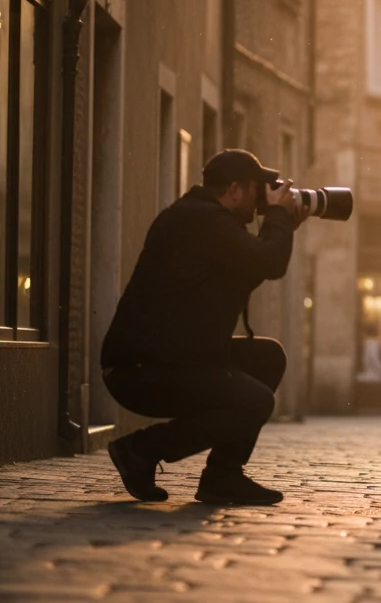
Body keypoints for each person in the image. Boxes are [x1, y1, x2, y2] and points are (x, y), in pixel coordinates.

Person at [100, 149, 312, 505]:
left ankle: (222, 476)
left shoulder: (204, 219)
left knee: (267, 358)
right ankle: (142, 449)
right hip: (140, 370)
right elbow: (270, 263)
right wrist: (278, 217)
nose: (261, 199)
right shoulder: (203, 221)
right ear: (234, 190)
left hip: (171, 358)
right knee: (255, 401)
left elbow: (247, 274)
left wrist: (282, 224)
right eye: (256, 190)